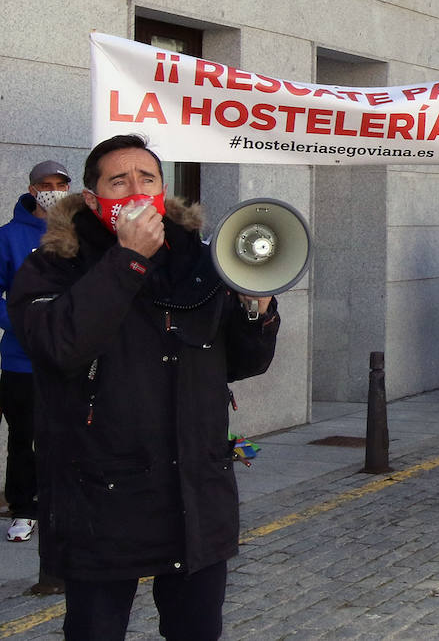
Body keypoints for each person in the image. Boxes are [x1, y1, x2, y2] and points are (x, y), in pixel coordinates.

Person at [9, 134, 279, 640]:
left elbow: (245, 362)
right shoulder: (53, 266)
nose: (135, 189)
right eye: (119, 180)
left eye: (147, 178)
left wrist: (254, 306)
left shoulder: (203, 261)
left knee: (197, 629)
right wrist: (129, 258)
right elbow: (60, 345)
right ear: (93, 199)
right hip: (102, 495)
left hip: (194, 491)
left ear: (163, 189)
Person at [0, 160, 73, 545]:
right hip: (21, 360)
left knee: (67, 434)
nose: (53, 190)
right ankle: (24, 509)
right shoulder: (8, 236)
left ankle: (62, 505)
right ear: (32, 190)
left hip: (71, 359)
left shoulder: (81, 235)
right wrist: (22, 323)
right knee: (23, 435)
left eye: (61, 184)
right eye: (46, 184)